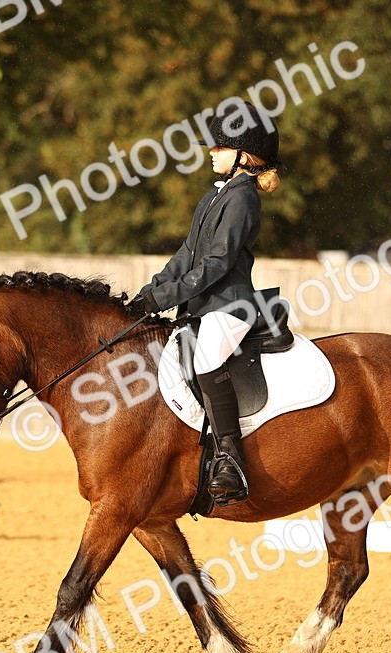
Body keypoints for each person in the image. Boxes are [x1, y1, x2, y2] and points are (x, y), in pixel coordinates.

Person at [133, 100, 283, 504]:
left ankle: (230, 459)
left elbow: (218, 262)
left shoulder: (242, 199)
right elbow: (186, 253)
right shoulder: (215, 195)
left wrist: (166, 297)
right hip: (202, 306)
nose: (211, 152)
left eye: (220, 147)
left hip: (229, 305)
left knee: (205, 361)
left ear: (243, 156)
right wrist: (151, 291)